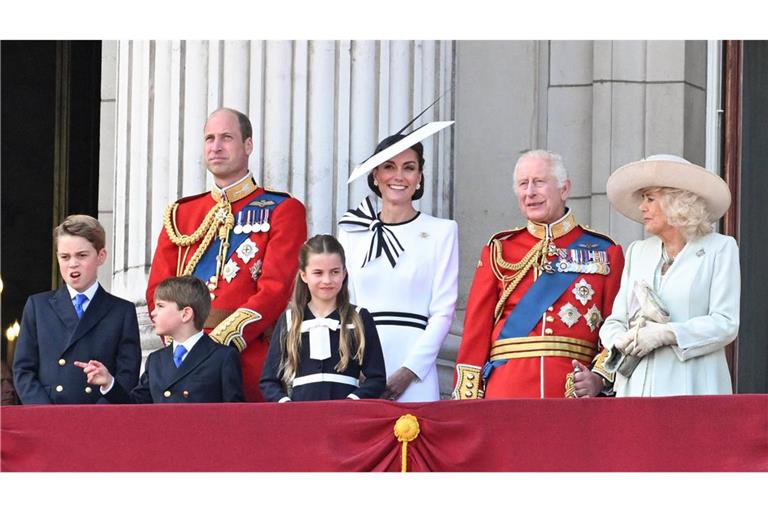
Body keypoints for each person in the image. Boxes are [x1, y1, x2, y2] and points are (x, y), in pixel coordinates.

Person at [146, 108, 307, 402]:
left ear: (248, 145)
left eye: (226, 138)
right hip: (181, 365)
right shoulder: (182, 214)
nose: (216, 146)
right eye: (209, 138)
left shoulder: (282, 209)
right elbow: (158, 289)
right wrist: (185, 344)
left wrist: (216, 345)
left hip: (244, 359)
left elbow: (276, 289)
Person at [453, 150, 625, 399]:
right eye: (523, 184)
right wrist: (466, 404)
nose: (530, 192)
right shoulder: (499, 250)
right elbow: (474, 336)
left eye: (539, 182)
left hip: (571, 393)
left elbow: (616, 328)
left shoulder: (605, 251)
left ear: (564, 189)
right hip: (506, 392)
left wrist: (598, 379)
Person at [600, 155, 739, 396]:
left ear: (678, 202)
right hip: (637, 390)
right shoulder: (638, 251)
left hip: (693, 388)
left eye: (651, 198)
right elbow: (615, 320)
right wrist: (619, 340)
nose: (643, 207)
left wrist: (666, 334)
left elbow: (725, 323)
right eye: (643, 199)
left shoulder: (720, 248)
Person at [338, 130, 458, 402]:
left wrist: (410, 370)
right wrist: (358, 365)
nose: (399, 176)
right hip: (360, 368)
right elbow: (345, 304)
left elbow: (443, 312)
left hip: (416, 371)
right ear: (375, 175)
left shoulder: (442, 231)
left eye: (409, 168)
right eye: (389, 167)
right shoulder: (351, 231)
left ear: (419, 178)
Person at [13, 215, 141, 404]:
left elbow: (127, 374)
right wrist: (45, 414)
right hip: (48, 419)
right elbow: (23, 371)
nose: (72, 263)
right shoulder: (37, 306)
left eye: (82, 255)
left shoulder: (121, 311)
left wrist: (95, 416)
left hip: (99, 420)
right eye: (65, 257)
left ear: (101, 256)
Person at [76, 276, 243, 403]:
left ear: (185, 314)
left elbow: (233, 415)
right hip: (160, 446)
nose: (153, 313)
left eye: (160, 306)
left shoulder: (222, 357)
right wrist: (109, 382)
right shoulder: (156, 360)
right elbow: (135, 406)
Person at [260, 234, 386, 401]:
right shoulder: (290, 319)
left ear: (344, 273)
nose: (327, 280)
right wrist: (286, 405)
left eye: (334, 272)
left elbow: (376, 379)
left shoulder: (360, 317)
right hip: (301, 418)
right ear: (304, 275)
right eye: (318, 273)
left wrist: (352, 402)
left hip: (346, 417)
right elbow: (268, 381)